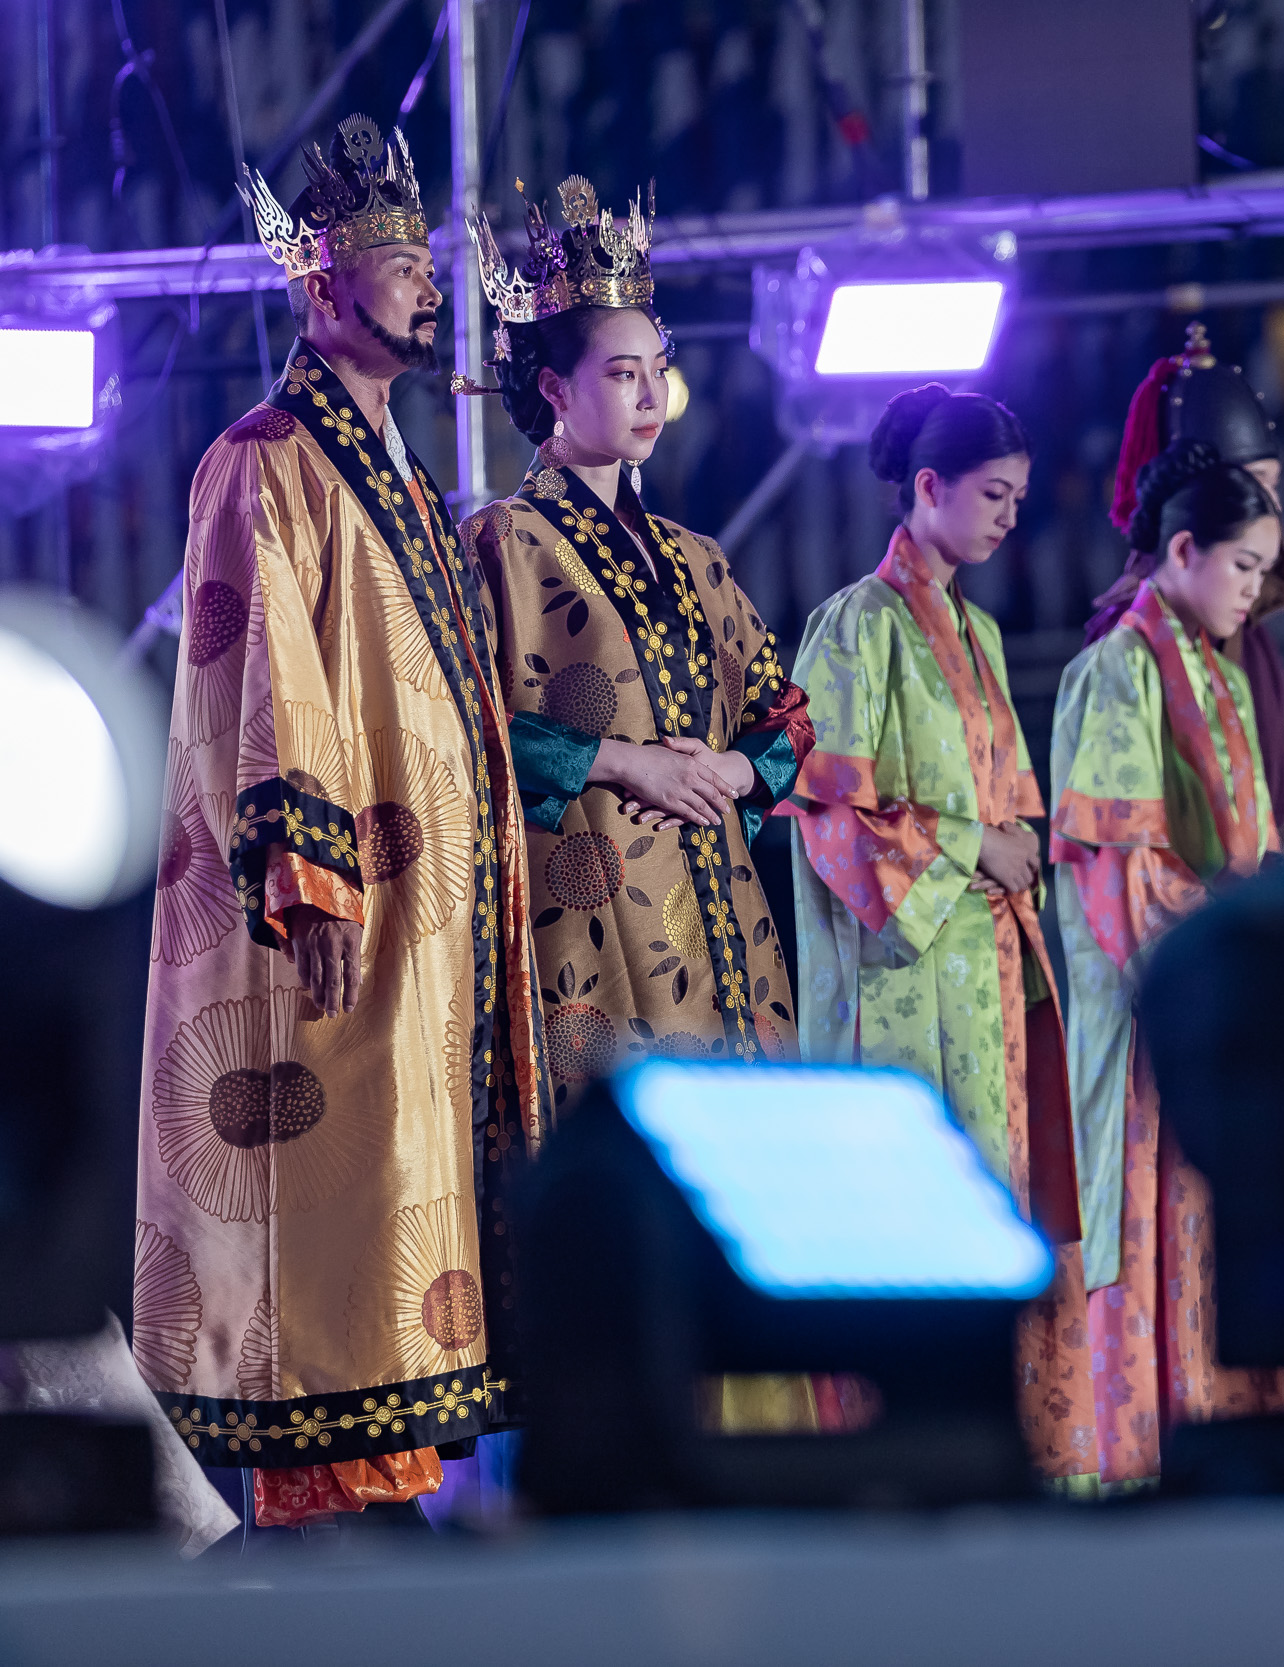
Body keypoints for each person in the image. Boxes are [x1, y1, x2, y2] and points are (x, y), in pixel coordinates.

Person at [138, 116, 547, 1532]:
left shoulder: (409, 483)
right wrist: (306, 875)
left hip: (429, 920)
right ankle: (332, 1504)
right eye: (400, 262)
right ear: (323, 284)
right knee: (340, 1196)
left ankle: (388, 1489)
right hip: (338, 915)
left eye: (428, 261)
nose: (429, 287)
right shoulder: (263, 460)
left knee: (398, 1192)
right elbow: (269, 677)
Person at [457, 177, 839, 1435]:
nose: (644, 393)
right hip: (590, 918)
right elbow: (470, 728)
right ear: (553, 391)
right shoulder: (501, 543)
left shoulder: (695, 555)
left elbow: (784, 716)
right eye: (617, 371)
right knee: (627, 1178)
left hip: (722, 914)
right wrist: (628, 764)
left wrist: (731, 771)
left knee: (751, 1188)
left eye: (655, 368)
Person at [782, 385, 1094, 1486]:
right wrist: (974, 846)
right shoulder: (852, 627)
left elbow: (1010, 811)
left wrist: (1002, 848)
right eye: (991, 494)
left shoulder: (981, 632)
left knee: (997, 1219)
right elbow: (827, 812)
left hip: (992, 981)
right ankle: (892, 1471)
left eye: (1016, 495)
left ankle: (997, 1463)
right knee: (904, 1234)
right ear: (927, 489)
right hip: (901, 990)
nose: (1011, 514)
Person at [1052, 439, 1284, 1485]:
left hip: (1226, 987)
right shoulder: (1116, 669)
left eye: (1262, 572)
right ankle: (1158, 1461)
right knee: (1163, 1221)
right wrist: (1237, 940)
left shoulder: (1215, 670)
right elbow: (1120, 877)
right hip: (1156, 1013)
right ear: (1180, 550)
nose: (1255, 594)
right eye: (1245, 567)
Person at [1093, 323, 1284, 849]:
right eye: (1255, 485)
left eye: (1274, 485)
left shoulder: (1247, 631)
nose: (1272, 507)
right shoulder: (1122, 648)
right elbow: (1119, 840)